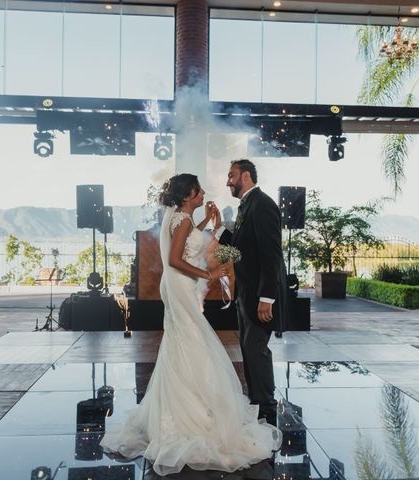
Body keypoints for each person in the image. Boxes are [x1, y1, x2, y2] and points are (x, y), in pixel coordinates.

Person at [101, 173, 281, 476]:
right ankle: (195, 408)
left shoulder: (181, 218)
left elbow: (185, 241)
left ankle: (184, 402)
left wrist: (208, 223)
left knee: (183, 342)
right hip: (182, 285)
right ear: (189, 195)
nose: (204, 193)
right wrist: (207, 275)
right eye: (199, 190)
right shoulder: (182, 220)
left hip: (176, 286)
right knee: (192, 340)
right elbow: (175, 258)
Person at [214, 159, 288, 427]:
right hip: (246, 294)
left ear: (246, 175)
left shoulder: (263, 204)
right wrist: (220, 227)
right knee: (249, 347)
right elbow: (238, 252)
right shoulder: (248, 205)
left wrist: (266, 297)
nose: (228, 181)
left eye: (231, 175)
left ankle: (266, 409)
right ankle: (258, 403)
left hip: (258, 296)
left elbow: (271, 254)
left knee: (256, 349)